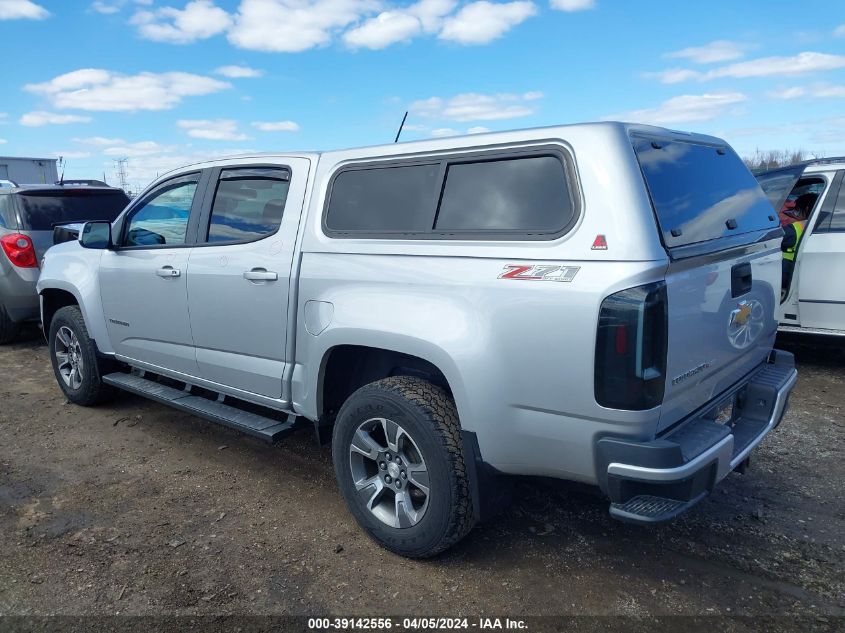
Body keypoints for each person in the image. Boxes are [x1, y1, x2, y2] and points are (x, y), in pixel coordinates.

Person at [781, 193, 815, 297]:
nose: (795, 213)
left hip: (787, 281)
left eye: (797, 209)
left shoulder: (794, 229)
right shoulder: (821, 225)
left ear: (807, 208)